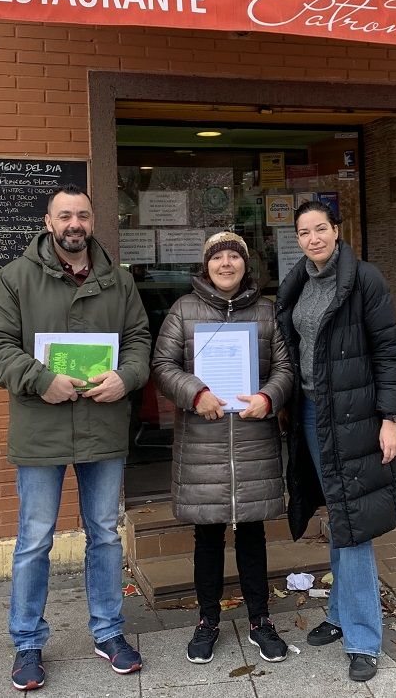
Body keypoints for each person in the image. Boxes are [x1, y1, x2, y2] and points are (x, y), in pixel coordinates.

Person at [0, 185, 151, 691]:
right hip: (41, 429)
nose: (74, 223)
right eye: (65, 215)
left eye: (83, 215)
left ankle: (109, 632)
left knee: (103, 533)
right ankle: (27, 644)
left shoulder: (118, 281)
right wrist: (40, 379)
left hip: (102, 426)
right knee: (34, 540)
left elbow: (140, 338)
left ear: (93, 221)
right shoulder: (13, 279)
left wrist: (128, 376)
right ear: (49, 221)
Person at [274, 200, 396, 683]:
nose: (313, 238)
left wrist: (390, 417)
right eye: (304, 232)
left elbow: (390, 350)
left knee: (351, 519)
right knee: (337, 510)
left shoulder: (364, 280)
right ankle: (338, 613)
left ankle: (363, 638)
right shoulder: (300, 283)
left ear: (337, 231)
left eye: (320, 229)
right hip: (313, 413)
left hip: (356, 415)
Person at [151, 231, 294, 664]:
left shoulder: (267, 312)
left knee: (252, 534)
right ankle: (207, 621)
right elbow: (162, 365)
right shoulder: (182, 310)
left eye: (235, 256)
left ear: (245, 264)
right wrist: (195, 393)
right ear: (206, 265)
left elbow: (286, 366)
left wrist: (269, 397)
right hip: (203, 442)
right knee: (207, 535)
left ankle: (260, 621)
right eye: (218, 257)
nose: (226, 264)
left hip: (253, 439)